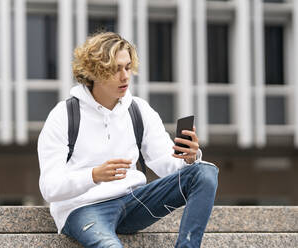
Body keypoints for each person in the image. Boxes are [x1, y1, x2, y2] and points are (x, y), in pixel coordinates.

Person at [38, 32, 219, 248]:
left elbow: (167, 165)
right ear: (94, 72)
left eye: (127, 67)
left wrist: (188, 158)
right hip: (83, 209)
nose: (125, 76)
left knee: (204, 172)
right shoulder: (64, 115)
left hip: (134, 201)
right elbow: (50, 188)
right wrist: (94, 176)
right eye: (115, 69)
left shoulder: (139, 110)